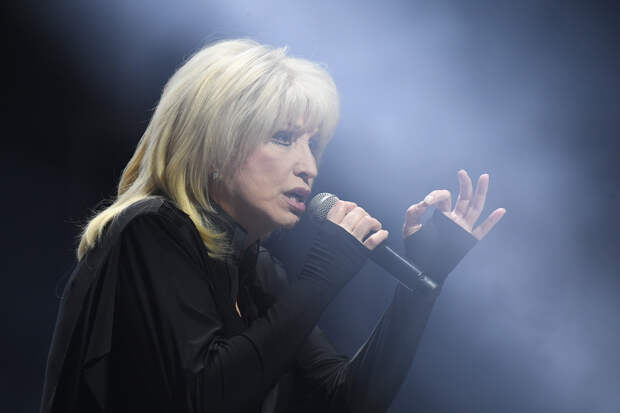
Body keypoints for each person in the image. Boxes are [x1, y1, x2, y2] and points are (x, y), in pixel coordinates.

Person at [40, 39, 505, 413]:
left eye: (313, 145)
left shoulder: (258, 271)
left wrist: (422, 283)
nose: (309, 166)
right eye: (283, 138)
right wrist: (321, 278)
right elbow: (200, 400)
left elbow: (346, 401)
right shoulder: (151, 232)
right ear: (214, 146)